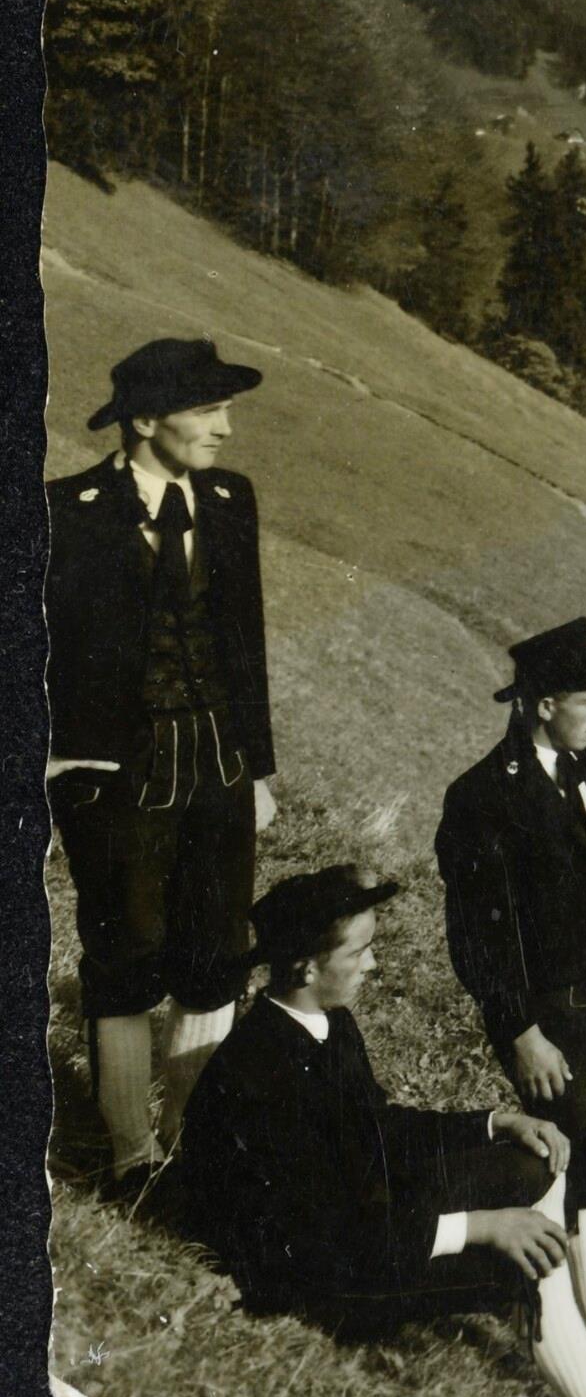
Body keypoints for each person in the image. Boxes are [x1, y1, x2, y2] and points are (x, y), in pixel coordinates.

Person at [177, 865, 586, 1397]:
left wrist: (493, 1123)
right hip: (310, 1280)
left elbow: (378, 1129)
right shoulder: (262, 1070)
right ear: (305, 968)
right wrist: (483, 1227)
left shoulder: (328, 1023)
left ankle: (578, 1355)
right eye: (358, 952)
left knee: (532, 1159)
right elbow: (325, 1234)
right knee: (514, 1260)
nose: (373, 964)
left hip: (356, 1218)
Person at [45, 337, 280, 1178]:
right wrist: (49, 758)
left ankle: (188, 1139)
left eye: (227, 409)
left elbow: (245, 640)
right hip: (118, 775)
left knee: (216, 952)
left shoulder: (229, 498)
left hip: (219, 763)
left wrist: (259, 770)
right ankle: (130, 1154)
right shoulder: (63, 513)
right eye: (207, 410)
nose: (225, 428)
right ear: (145, 420)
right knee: (127, 952)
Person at [434, 618, 586, 1390]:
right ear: (544, 704)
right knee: (562, 1152)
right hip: (548, 1015)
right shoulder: (482, 799)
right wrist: (520, 1030)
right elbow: (478, 936)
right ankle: (570, 1325)